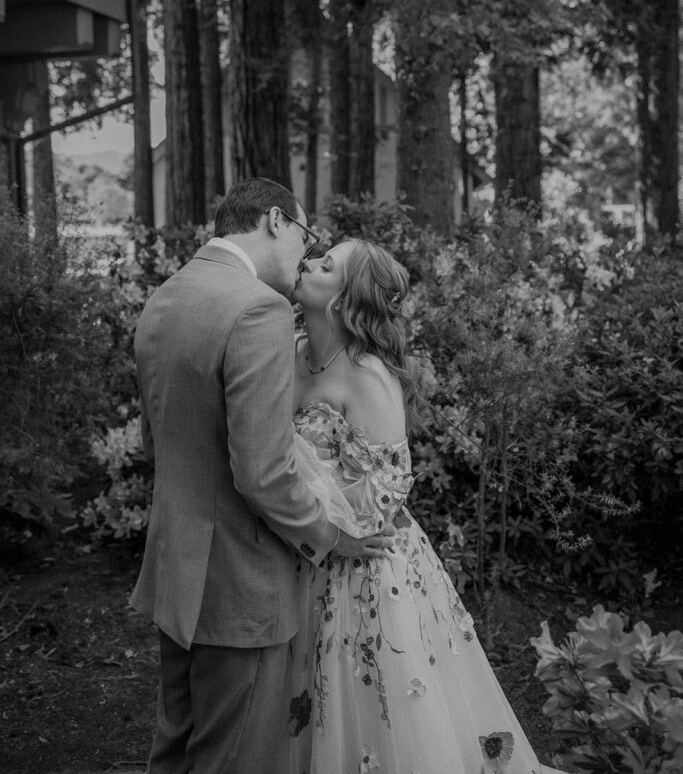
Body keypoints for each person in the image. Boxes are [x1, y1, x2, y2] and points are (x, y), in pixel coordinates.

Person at [130, 179, 393, 774]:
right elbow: (263, 471)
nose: (307, 252)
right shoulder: (259, 308)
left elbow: (157, 444)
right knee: (233, 757)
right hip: (241, 584)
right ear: (276, 221)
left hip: (177, 567)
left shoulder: (165, 297)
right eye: (307, 235)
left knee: (176, 747)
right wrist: (330, 537)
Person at [286, 238, 565, 774]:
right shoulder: (289, 350)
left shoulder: (367, 377)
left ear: (344, 299)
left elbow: (387, 492)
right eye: (317, 255)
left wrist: (317, 513)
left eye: (326, 265)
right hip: (303, 554)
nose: (308, 262)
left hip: (363, 564)